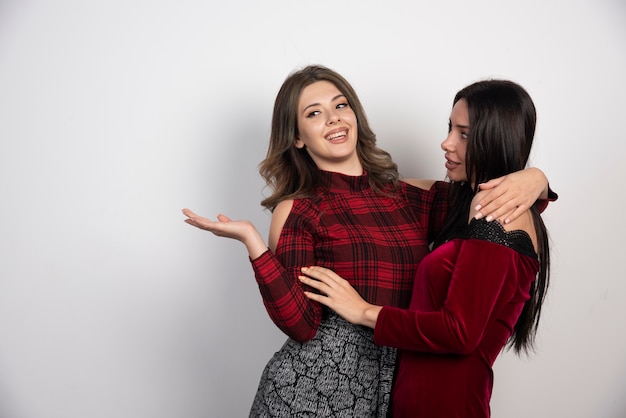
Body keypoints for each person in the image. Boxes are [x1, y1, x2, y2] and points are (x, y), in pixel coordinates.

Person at [182, 66, 552, 417]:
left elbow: (492, 204)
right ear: (296, 136)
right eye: (313, 113)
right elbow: (302, 325)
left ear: (355, 115)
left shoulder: (410, 196)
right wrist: (255, 246)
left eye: (341, 105)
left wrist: (535, 178)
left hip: (390, 390)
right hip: (314, 391)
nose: (333, 118)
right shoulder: (298, 209)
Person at [299, 79, 551, 418]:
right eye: (450, 128)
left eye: (464, 134)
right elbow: (374, 192)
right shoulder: (472, 205)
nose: (446, 143)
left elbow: (459, 332)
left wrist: (363, 311)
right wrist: (538, 180)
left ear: (495, 139)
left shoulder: (497, 214)